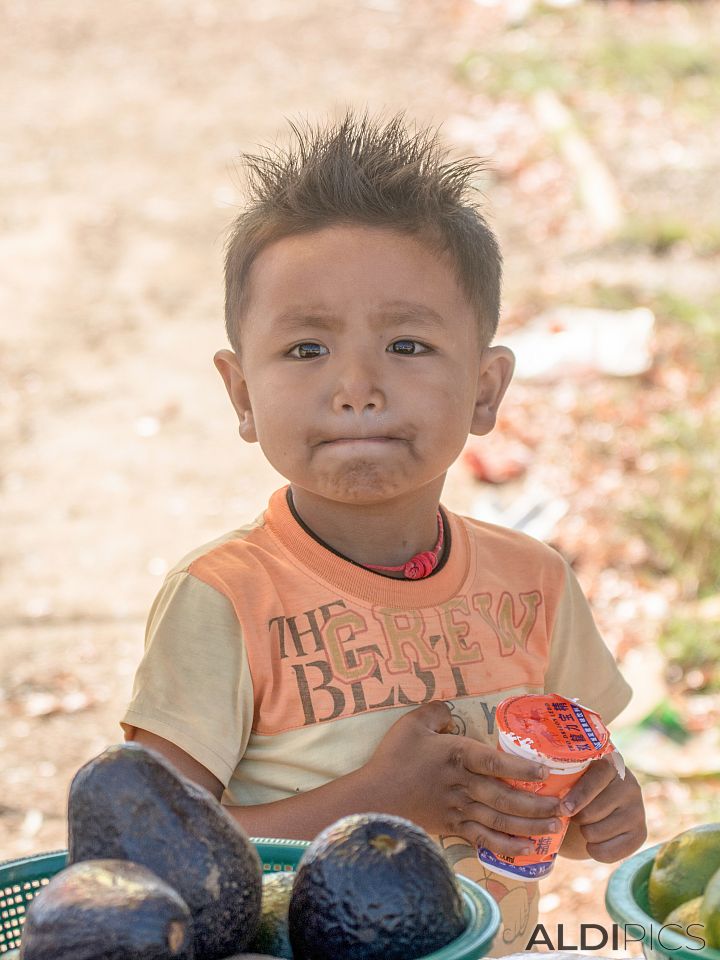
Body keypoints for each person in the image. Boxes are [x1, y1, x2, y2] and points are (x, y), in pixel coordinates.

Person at [120, 109, 646, 954]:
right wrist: (380, 804)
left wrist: (603, 806)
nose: (358, 385)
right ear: (241, 394)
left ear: (485, 389)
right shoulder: (222, 601)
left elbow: (569, 795)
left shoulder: (532, 583)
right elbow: (154, 861)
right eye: (305, 350)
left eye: (406, 343)